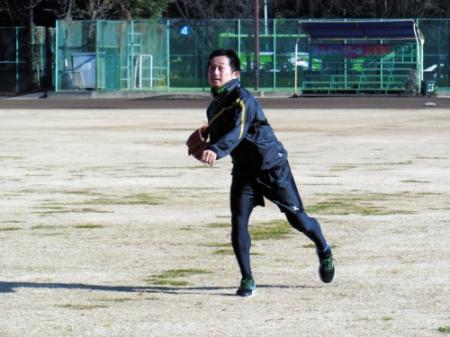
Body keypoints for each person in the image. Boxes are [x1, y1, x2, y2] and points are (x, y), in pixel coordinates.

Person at [200, 49, 334, 297]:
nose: (215, 72)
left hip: (272, 167)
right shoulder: (212, 108)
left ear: (235, 74)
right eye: (211, 68)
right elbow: (224, 138)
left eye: (220, 68)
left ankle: (324, 248)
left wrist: (216, 149)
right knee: (238, 223)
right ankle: (247, 278)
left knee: (299, 220)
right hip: (244, 173)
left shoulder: (244, 99)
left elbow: (237, 132)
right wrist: (207, 143)